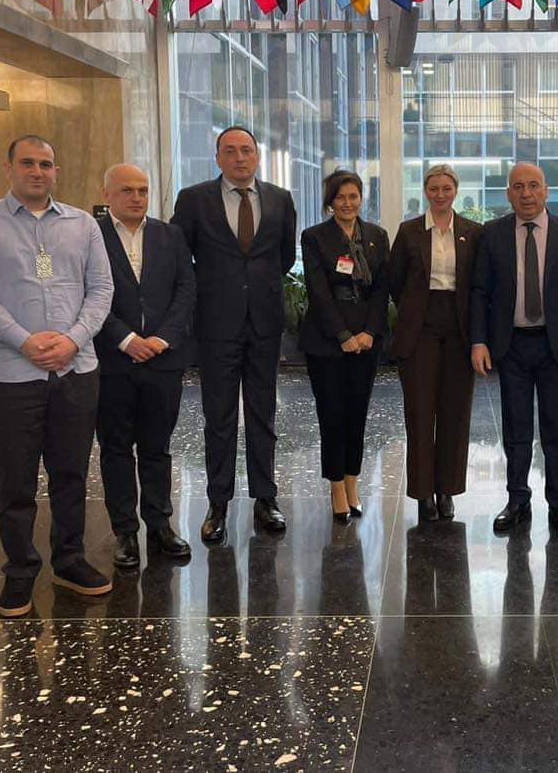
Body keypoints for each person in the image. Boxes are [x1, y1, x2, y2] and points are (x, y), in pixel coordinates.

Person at [0, 135, 114, 618]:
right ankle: (20, 570)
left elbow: (101, 289)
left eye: (46, 164)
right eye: (27, 163)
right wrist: (25, 341)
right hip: (9, 374)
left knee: (71, 472)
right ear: (8, 168)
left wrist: (73, 340)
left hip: (75, 369)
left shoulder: (83, 225)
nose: (37, 171)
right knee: (14, 480)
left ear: (56, 170)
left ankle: (69, 559)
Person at [172, 125, 296, 541]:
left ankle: (266, 498)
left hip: (264, 324)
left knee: (263, 414)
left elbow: (283, 257)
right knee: (219, 417)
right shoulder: (194, 199)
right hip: (216, 325)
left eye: (246, 150)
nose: (239, 157)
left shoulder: (280, 199)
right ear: (218, 158)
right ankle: (218, 503)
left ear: (257, 156)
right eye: (230, 151)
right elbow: (180, 256)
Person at [471, 163, 558, 537]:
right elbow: (480, 291)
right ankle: (517, 499)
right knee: (516, 428)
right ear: (508, 193)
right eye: (518, 186)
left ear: (546, 190)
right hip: (511, 345)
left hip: (555, 345)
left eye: (533, 185)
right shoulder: (492, 234)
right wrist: (479, 340)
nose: (526, 193)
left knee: (556, 428)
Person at [93, 164, 196, 570]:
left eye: (143, 190)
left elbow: (186, 288)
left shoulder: (170, 235)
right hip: (112, 362)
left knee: (157, 447)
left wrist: (163, 338)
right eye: (127, 190)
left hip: (162, 360)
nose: (137, 197)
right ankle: (124, 531)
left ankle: (159, 524)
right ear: (107, 194)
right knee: (116, 448)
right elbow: (86, 294)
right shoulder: (91, 235)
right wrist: (125, 339)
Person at [388, 164, 482, 521]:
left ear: (455, 191)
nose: (440, 194)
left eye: (446, 188)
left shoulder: (473, 232)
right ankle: (423, 493)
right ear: (425, 191)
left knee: (455, 413)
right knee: (420, 412)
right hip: (420, 329)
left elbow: (478, 283)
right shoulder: (409, 231)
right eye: (433, 188)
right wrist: (413, 310)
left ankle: (447, 491)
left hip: (460, 329)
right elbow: (395, 280)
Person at [298, 170, 390, 522]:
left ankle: (353, 482)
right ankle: (336, 486)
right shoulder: (314, 237)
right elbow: (318, 292)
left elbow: (382, 289)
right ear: (330, 202)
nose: (347, 203)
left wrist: (370, 332)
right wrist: (343, 335)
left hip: (366, 340)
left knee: (357, 414)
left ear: (361, 199)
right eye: (340, 197)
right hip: (327, 342)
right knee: (332, 416)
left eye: (353, 196)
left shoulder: (376, 236)